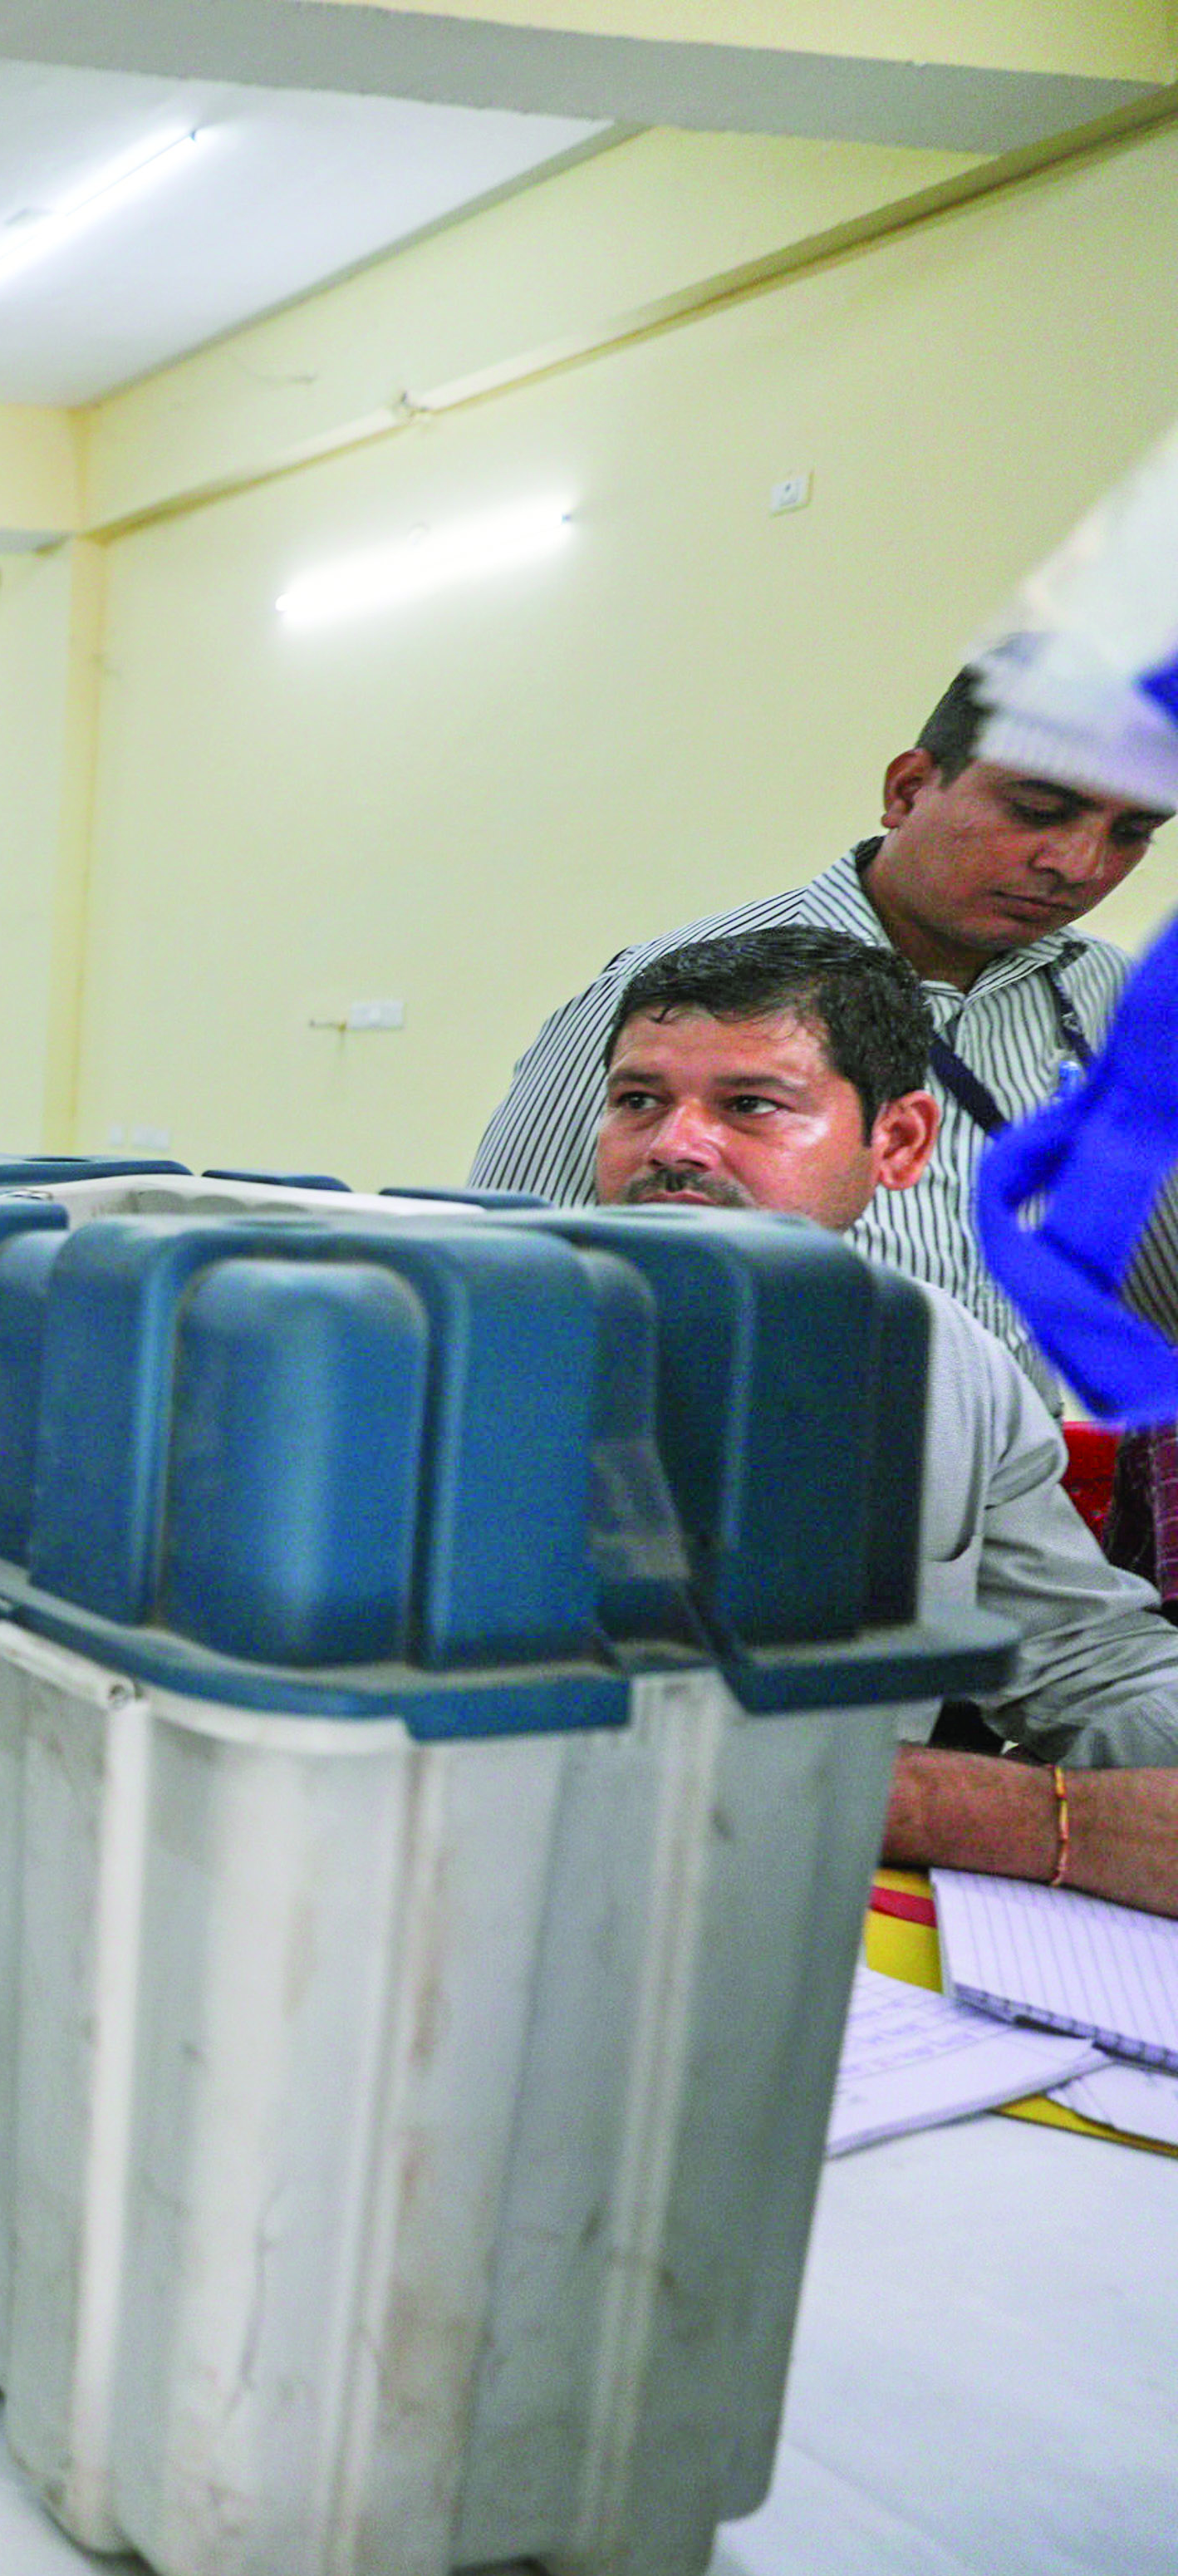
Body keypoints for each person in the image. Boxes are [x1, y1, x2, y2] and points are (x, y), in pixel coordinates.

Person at [588, 927, 1178, 1914]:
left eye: (750, 1106)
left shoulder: (945, 1356)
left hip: (821, 1913)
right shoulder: (471, 1349)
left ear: (898, 1141)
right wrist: (1034, 1817)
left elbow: (1086, 1658)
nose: (673, 1144)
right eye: (639, 1099)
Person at [481, 671, 1166, 1394]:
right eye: (1036, 812)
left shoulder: (1116, 999)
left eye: (1132, 833)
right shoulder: (671, 995)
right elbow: (516, 1275)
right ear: (906, 790)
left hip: (1010, 1466)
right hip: (741, 1454)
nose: (1079, 865)